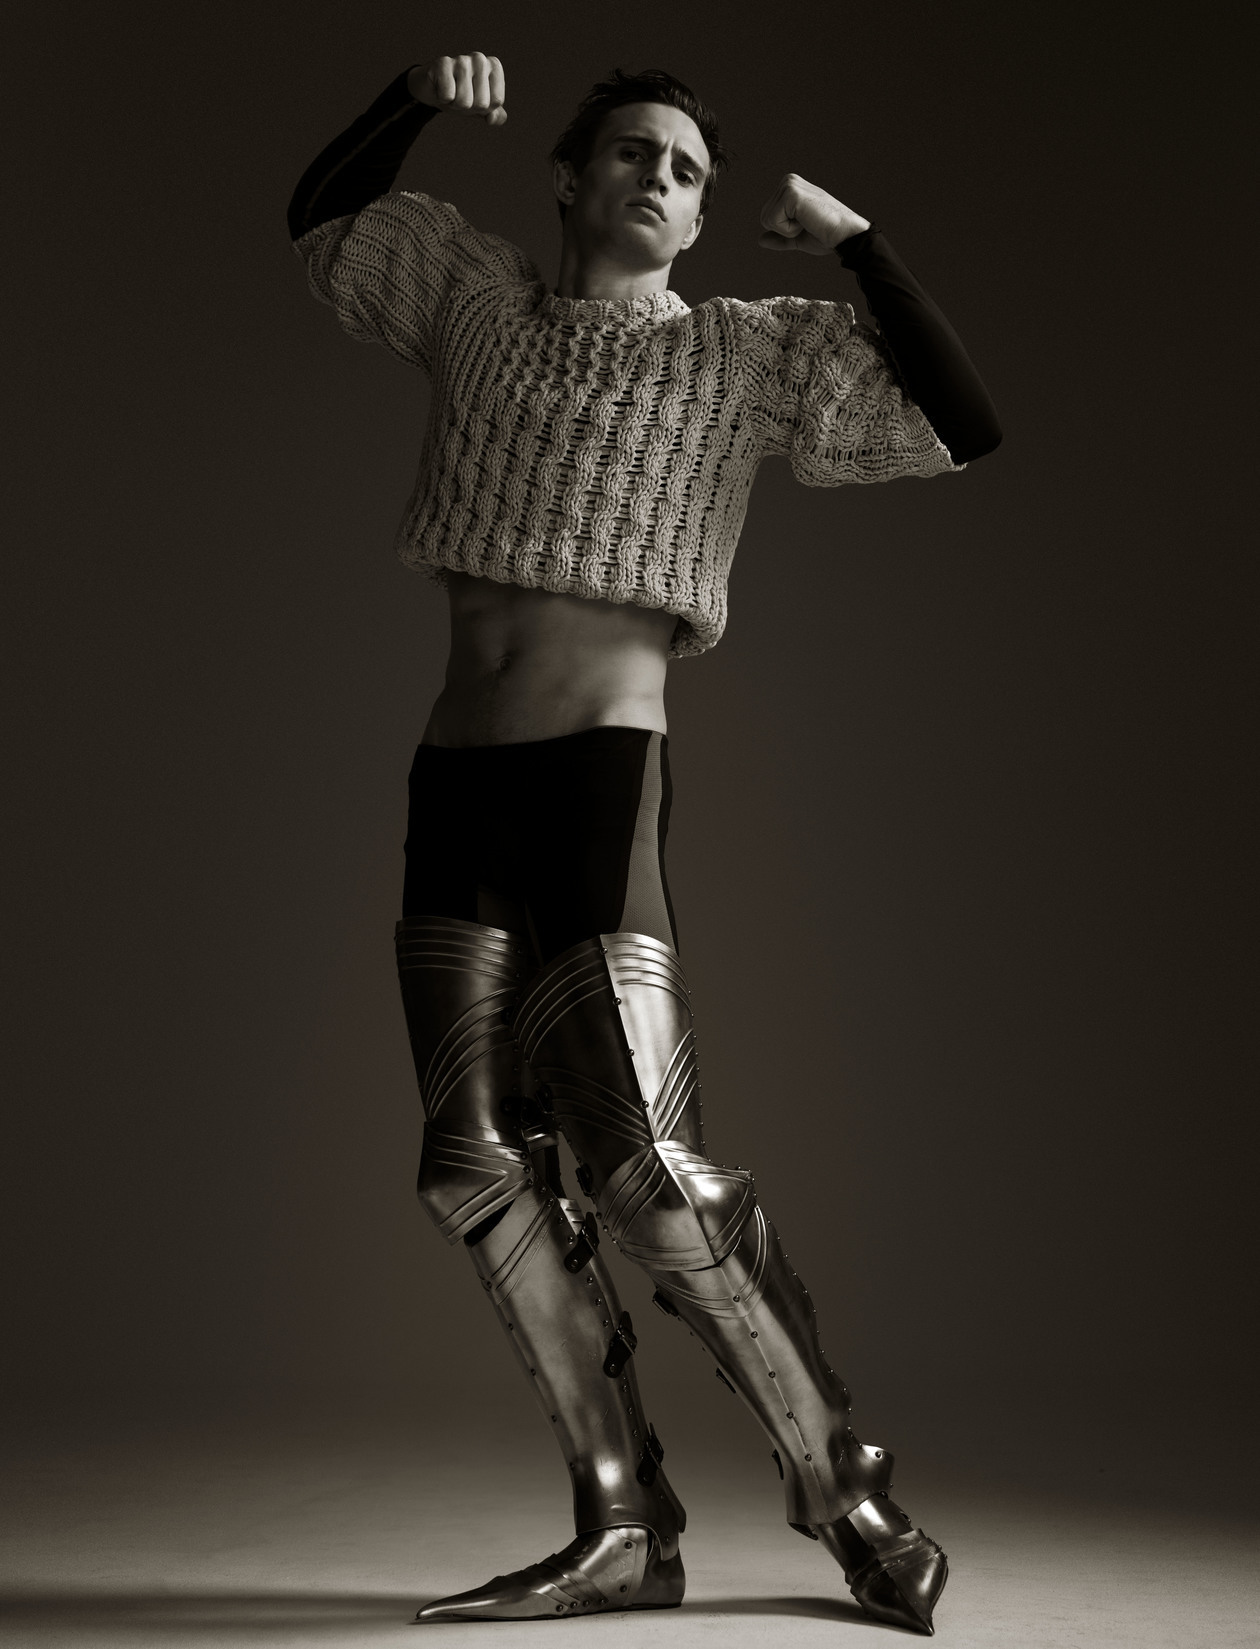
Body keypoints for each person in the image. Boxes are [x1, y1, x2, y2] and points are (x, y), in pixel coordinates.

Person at [288, 50, 1000, 1634]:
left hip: (598, 783)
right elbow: (322, 222)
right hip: (455, 784)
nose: (660, 180)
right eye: (632, 153)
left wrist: (863, 247)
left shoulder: (737, 353)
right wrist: (409, 97)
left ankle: (851, 1493)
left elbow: (964, 422)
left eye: (685, 169)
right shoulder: (476, 302)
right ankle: (623, 1523)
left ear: (697, 214)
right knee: (471, 1163)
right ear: (570, 177)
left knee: (647, 1171)